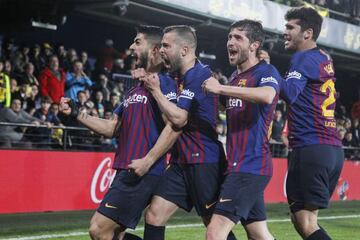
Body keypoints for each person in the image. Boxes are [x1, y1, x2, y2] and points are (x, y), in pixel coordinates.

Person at [59, 25, 177, 240]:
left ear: (154, 49)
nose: (131, 47)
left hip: (142, 171)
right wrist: (76, 112)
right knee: (115, 234)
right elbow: (112, 128)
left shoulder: (165, 84)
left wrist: (148, 161)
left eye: (138, 42)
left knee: (98, 230)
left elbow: (174, 126)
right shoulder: (134, 88)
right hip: (125, 168)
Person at [134, 25, 236, 240]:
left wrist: (156, 92)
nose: (161, 50)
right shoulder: (179, 77)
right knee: (153, 215)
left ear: (184, 49)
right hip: (181, 161)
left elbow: (180, 118)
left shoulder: (199, 75)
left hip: (204, 161)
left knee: (213, 225)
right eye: (161, 45)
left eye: (166, 45)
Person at [202, 20, 280, 240]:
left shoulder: (266, 70)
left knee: (215, 232)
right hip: (238, 165)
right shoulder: (237, 78)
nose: (230, 42)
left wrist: (221, 88)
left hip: (251, 165)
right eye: (229, 37)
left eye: (238, 37)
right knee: (259, 234)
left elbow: (267, 95)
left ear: (254, 45)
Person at [281, 7, 344, 240]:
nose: (284, 32)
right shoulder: (322, 57)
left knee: (306, 222)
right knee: (300, 219)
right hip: (329, 148)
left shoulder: (303, 58)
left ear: (307, 33)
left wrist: (266, 73)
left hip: (311, 146)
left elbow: (290, 92)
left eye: (290, 27)